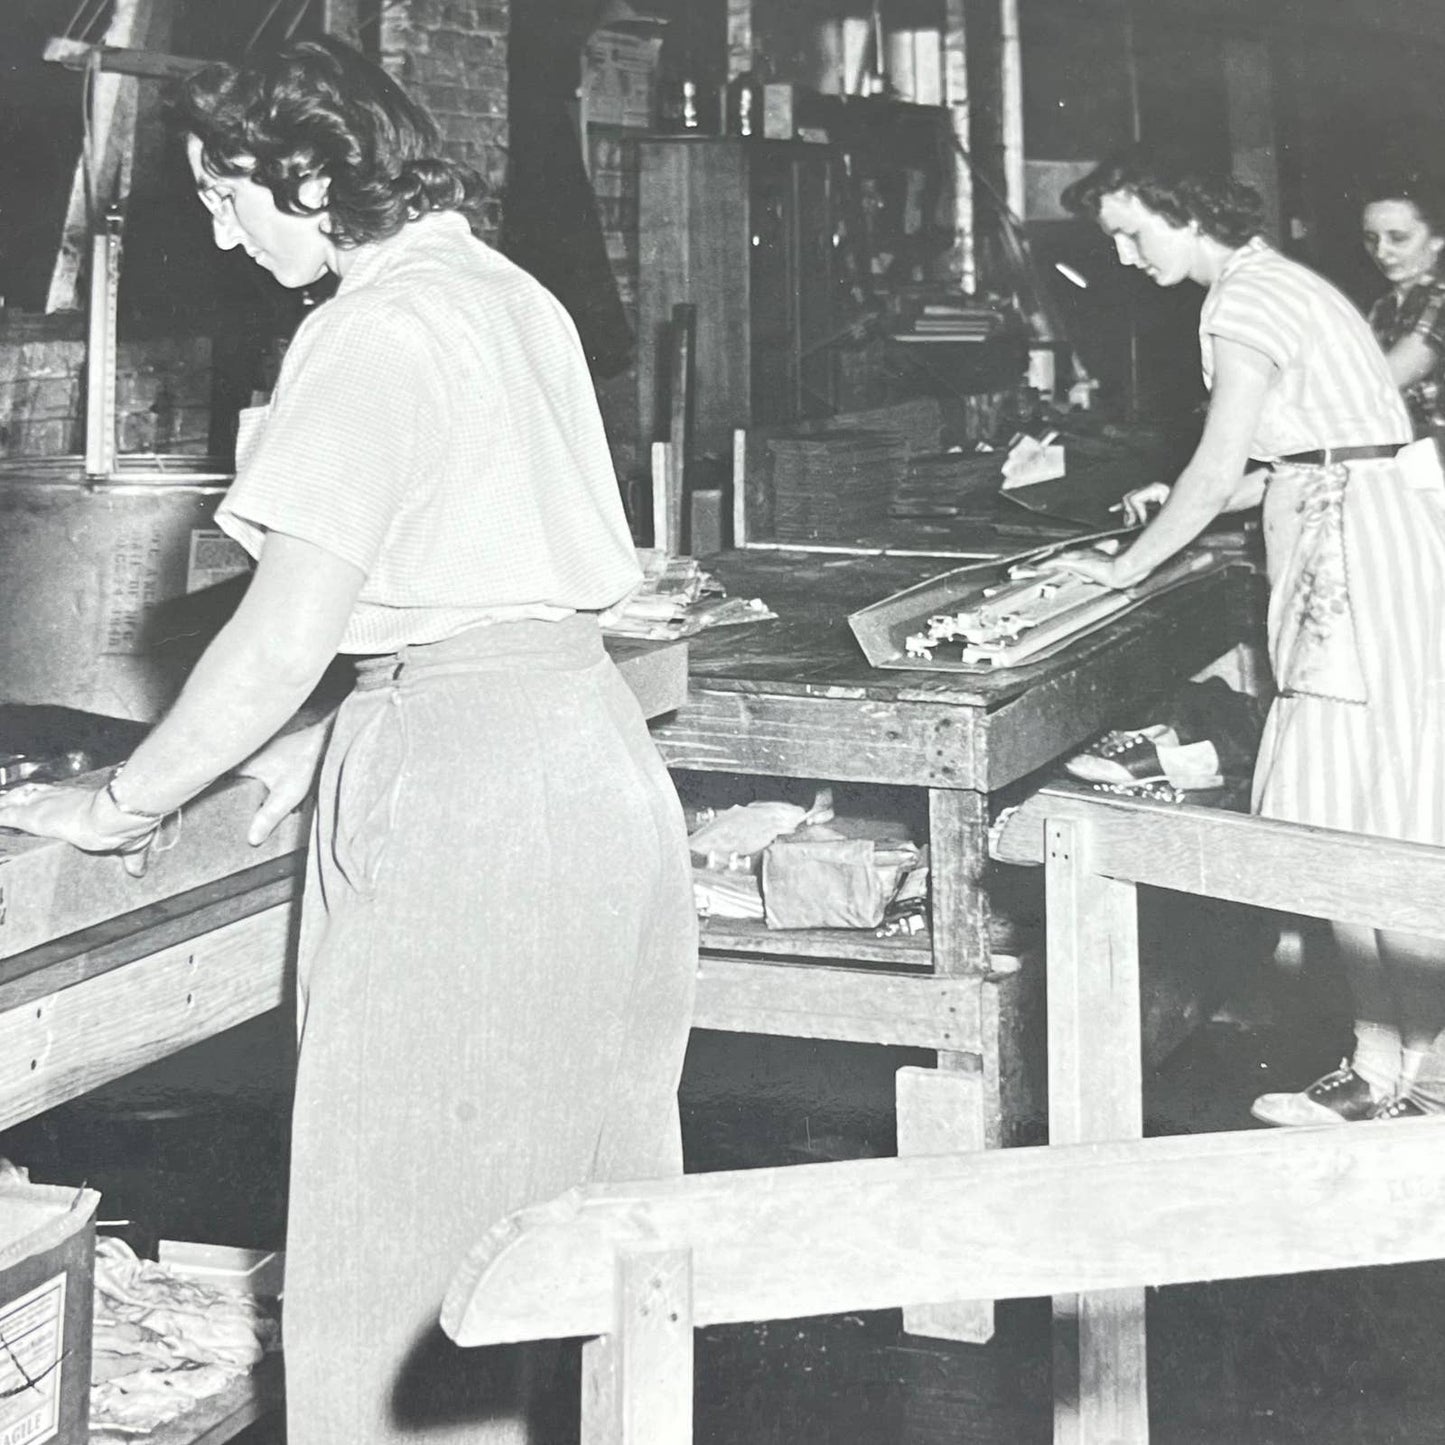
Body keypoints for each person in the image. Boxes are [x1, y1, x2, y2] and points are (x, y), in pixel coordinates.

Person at [0, 37, 697, 1443]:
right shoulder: (506, 295)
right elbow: (474, 574)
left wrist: (124, 801)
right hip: (585, 751)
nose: (216, 227)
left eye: (226, 192)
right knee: (576, 1243)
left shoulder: (370, 327)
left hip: (468, 798)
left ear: (310, 172)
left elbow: (282, 627)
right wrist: (326, 735)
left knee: (399, 1258)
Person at [1059, 148, 1445, 1127]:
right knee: (1355, 809)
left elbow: (1219, 461)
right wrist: (1188, 503)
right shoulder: (1279, 282)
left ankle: (1413, 1073)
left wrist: (1125, 563)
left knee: (1359, 815)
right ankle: (1386, 1063)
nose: (1119, 253)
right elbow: (1294, 457)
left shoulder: (1240, 302)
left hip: (1350, 560)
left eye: (1128, 230)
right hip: (1347, 536)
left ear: (1180, 213)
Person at [1360, 176, 1445, 444]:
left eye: (1398, 238)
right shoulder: (1384, 306)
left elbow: (1384, 379)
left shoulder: (1440, 299)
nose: (1381, 252)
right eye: (1371, 239)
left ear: (1437, 239)